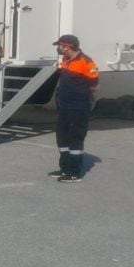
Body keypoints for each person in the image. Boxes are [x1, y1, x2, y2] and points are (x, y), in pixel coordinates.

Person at [52, 34, 98, 183]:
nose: (58, 48)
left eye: (60, 45)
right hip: (64, 106)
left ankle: (74, 173)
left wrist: (81, 96)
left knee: (75, 138)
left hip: (78, 107)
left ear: (67, 47)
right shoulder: (65, 59)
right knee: (62, 137)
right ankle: (64, 168)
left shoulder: (86, 62)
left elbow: (94, 85)